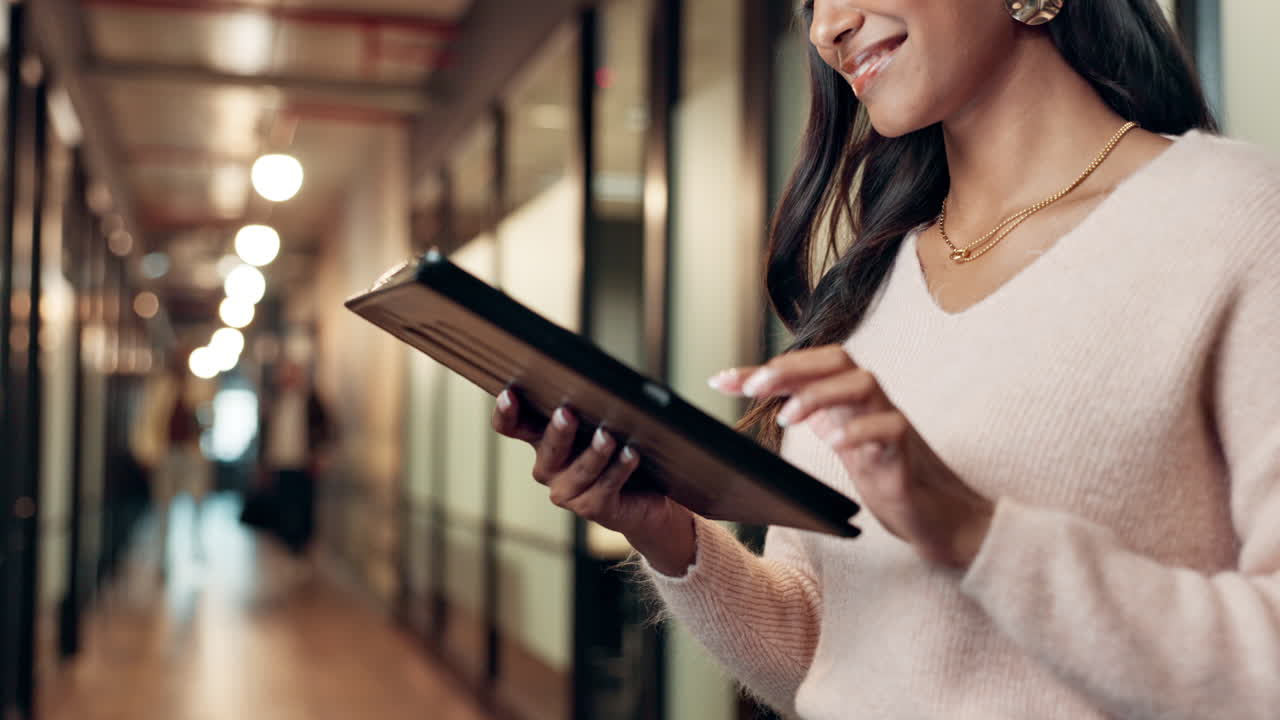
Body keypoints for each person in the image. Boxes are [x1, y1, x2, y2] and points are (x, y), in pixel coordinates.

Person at [492, 1, 1280, 718]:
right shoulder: (868, 285)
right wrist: (666, 533)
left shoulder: (1239, 219)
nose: (824, 27)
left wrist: (973, 532)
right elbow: (823, 650)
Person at [258, 358, 333, 556]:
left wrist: (319, 456)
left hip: (302, 464)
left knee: (303, 507)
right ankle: (286, 545)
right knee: (282, 506)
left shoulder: (310, 401)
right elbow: (266, 434)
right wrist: (264, 463)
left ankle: (302, 547)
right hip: (281, 463)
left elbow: (324, 430)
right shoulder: (276, 402)